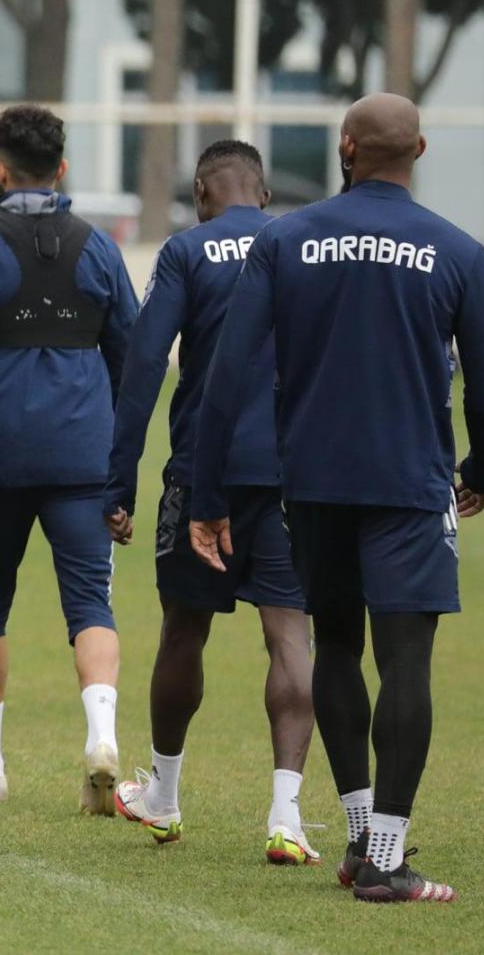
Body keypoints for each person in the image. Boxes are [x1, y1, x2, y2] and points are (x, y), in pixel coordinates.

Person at [190, 93, 484, 904]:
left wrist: (207, 490)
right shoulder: (459, 251)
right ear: (419, 150)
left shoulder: (284, 239)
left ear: (344, 147)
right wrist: (481, 467)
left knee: (333, 645)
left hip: (311, 483)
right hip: (408, 485)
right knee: (405, 661)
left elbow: (225, 374)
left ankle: (362, 834)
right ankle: (386, 858)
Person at [102, 140, 318, 862]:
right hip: (290, 476)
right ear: (263, 194)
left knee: (182, 632)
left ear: (200, 194)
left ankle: (163, 796)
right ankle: (285, 816)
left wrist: (119, 481)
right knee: (289, 635)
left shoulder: (186, 251)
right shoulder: (300, 245)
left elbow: (143, 364)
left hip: (202, 476)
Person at [0, 104, 138, 810]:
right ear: (62, 169)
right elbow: (132, 360)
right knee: (90, 601)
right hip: (82, 456)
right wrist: (121, 467)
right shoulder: (99, 249)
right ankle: (101, 738)